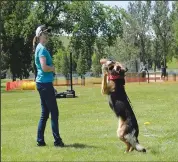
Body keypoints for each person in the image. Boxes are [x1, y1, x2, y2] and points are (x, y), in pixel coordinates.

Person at [33, 25, 64, 147]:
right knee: (54, 112)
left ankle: (40, 140)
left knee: (45, 113)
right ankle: (57, 141)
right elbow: (44, 67)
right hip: (44, 84)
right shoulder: (41, 49)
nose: (47, 35)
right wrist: (52, 68)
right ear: (40, 35)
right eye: (45, 33)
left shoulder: (40, 48)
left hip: (43, 83)